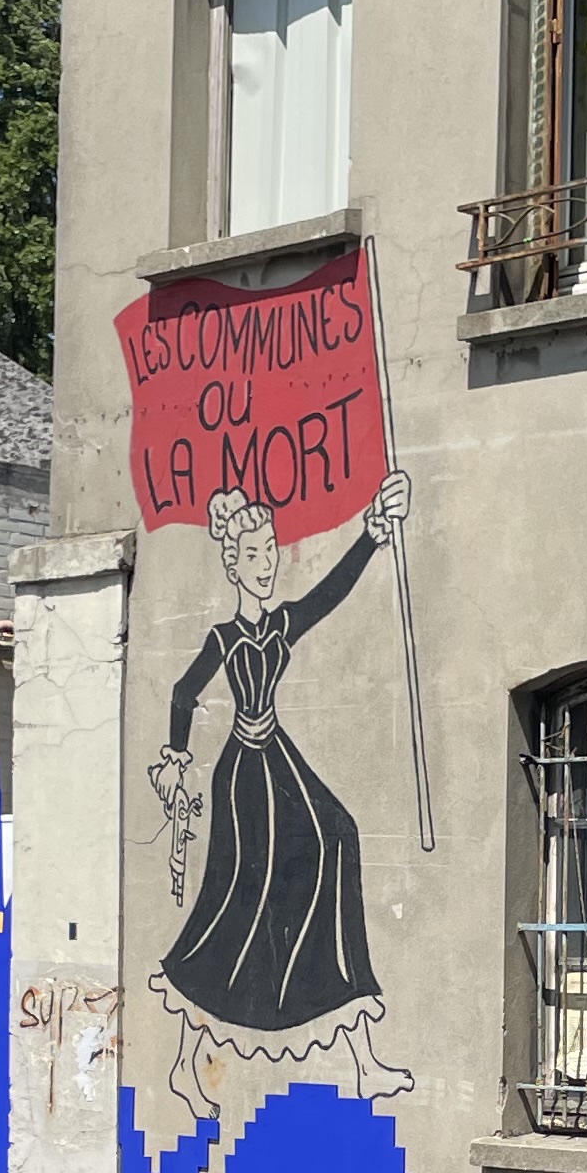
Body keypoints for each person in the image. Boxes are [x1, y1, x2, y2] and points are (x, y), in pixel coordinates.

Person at [146, 468, 416, 1112]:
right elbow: (183, 693)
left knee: (339, 835)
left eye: (270, 550)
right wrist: (176, 758)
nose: (266, 563)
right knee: (235, 902)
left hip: (278, 758)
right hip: (243, 773)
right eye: (253, 555)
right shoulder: (224, 638)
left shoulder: (282, 624)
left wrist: (372, 532)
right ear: (233, 566)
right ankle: (185, 1064)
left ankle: (364, 1059)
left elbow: (329, 594)